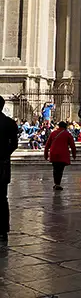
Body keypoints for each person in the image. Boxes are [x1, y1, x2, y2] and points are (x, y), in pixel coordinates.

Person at [0, 96, 19, 243]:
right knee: (2, 199)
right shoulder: (10, 123)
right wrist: (5, 154)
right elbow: (14, 144)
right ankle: (3, 231)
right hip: (3, 164)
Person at [44, 120, 76, 190]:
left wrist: (46, 155)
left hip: (53, 153)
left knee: (55, 169)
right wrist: (74, 155)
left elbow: (47, 145)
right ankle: (58, 184)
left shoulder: (53, 133)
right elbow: (72, 146)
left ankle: (56, 183)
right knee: (60, 169)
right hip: (63, 154)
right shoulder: (67, 134)